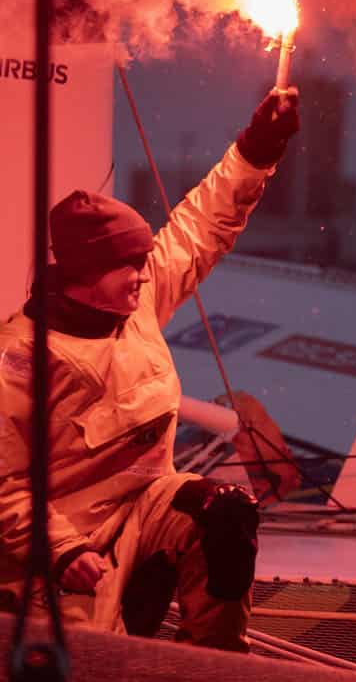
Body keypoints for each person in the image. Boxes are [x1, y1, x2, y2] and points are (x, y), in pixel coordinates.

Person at [0, 87, 300, 649]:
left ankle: (215, 660)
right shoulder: (20, 361)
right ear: (84, 274)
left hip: (144, 513)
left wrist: (257, 152)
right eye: (128, 268)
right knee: (96, 660)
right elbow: (2, 485)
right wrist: (61, 549)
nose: (143, 277)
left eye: (143, 263)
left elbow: (198, 229)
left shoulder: (132, 304)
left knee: (226, 515)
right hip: (61, 546)